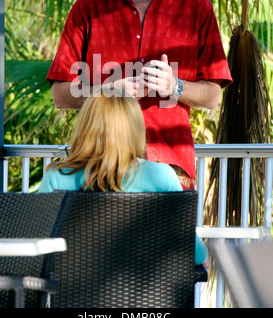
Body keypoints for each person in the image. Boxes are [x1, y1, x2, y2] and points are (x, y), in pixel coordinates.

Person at [46, 0, 232, 190]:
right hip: (100, 167)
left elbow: (212, 96)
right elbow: (60, 94)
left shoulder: (196, 7)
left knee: (171, 241)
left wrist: (176, 87)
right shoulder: (87, 9)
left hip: (172, 170)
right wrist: (107, 91)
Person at [38, 89, 209, 268]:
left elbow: (37, 245)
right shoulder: (161, 177)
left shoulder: (57, 177)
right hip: (149, 293)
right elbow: (197, 255)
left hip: (74, 292)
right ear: (136, 130)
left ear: (85, 127)